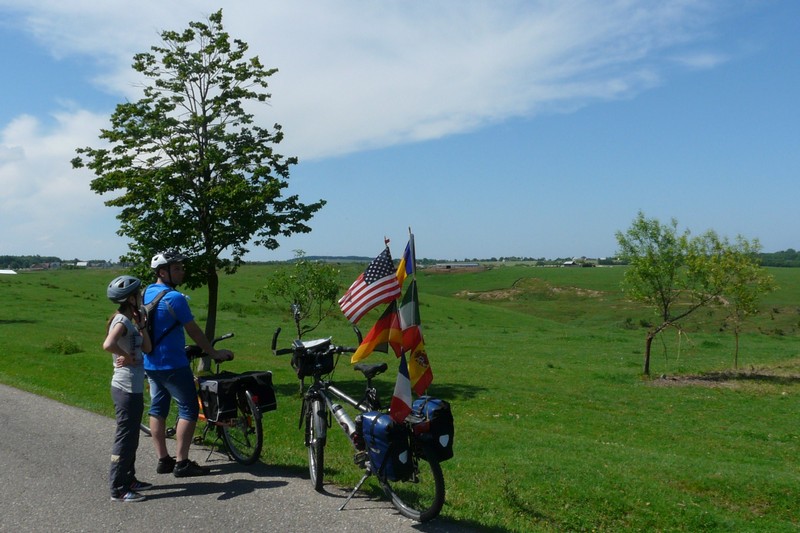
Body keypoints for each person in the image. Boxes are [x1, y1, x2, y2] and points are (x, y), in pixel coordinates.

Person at [143, 251, 233, 477]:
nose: (182, 272)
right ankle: (182, 463)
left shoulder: (145, 293)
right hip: (173, 364)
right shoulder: (175, 298)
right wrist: (212, 352)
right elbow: (193, 330)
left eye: (182, 268)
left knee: (158, 408)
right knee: (189, 409)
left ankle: (163, 460)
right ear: (162, 272)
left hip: (151, 363)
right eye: (176, 269)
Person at [103, 275, 153, 502]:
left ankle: (129, 478)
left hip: (132, 387)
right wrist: (125, 357)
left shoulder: (131, 321)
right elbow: (108, 345)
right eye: (138, 294)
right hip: (124, 387)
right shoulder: (121, 321)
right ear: (130, 298)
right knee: (125, 436)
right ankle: (118, 488)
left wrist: (142, 325)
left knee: (132, 436)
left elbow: (148, 347)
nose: (141, 297)